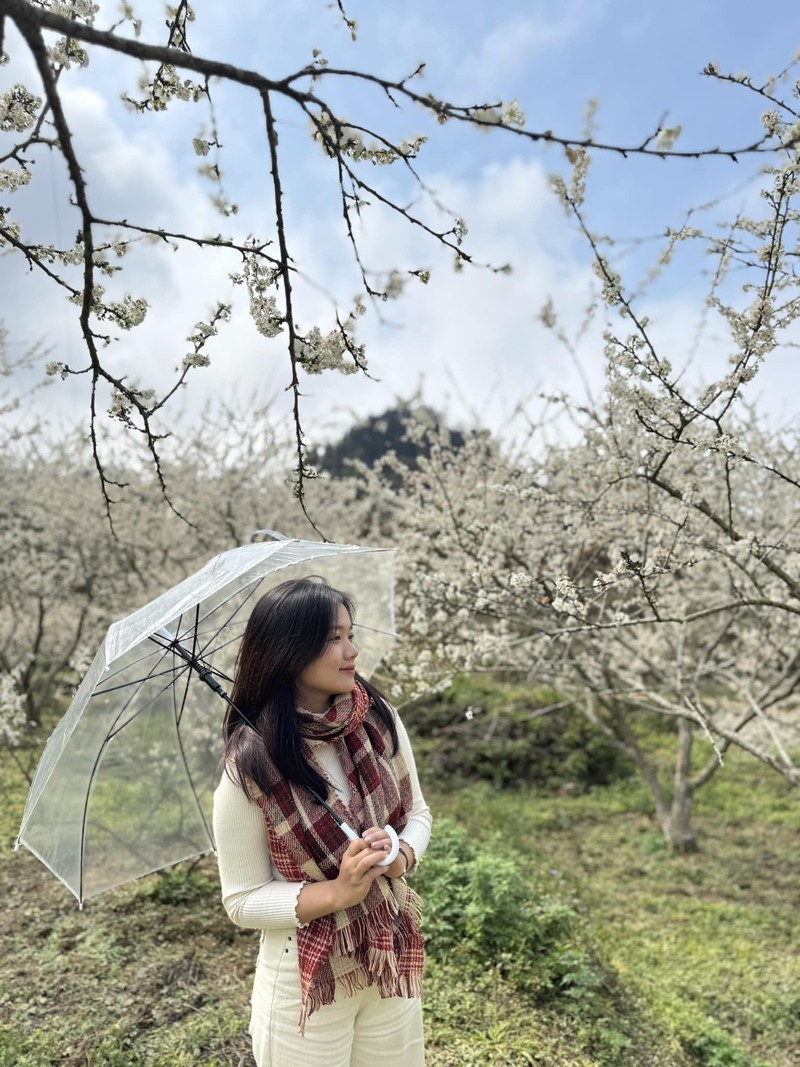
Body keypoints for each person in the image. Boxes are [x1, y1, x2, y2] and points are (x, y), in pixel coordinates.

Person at [212, 576, 432, 1067]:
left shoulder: (377, 719)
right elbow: (242, 900)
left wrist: (396, 853)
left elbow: (418, 813)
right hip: (304, 986)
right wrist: (336, 893)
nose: (352, 650)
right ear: (289, 651)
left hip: (387, 956)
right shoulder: (250, 765)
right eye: (333, 638)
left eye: (351, 634)